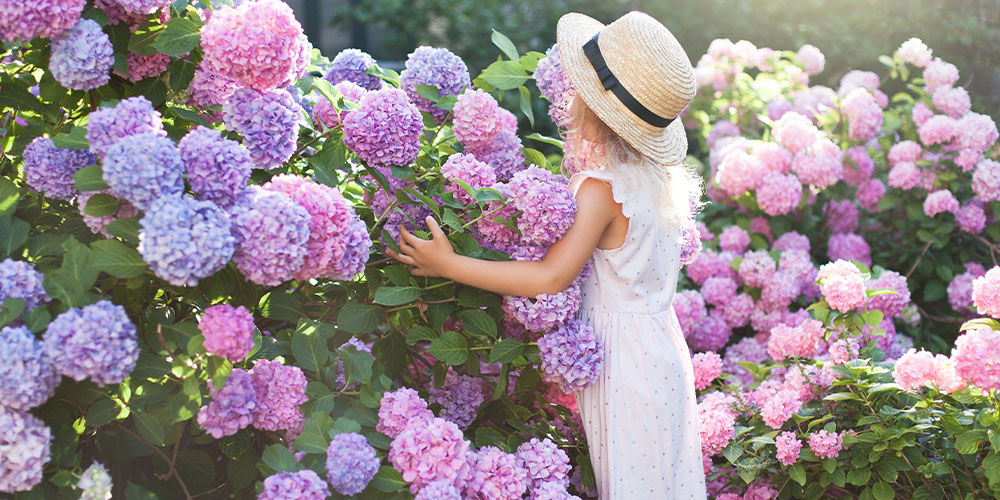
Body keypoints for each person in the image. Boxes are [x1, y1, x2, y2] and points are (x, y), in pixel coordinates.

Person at [388, 10, 708, 500]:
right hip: (663, 349)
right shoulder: (659, 184)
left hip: (623, 362)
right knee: (664, 478)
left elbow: (551, 277)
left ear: (593, 111)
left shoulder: (601, 190)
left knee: (631, 482)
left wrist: (449, 264)